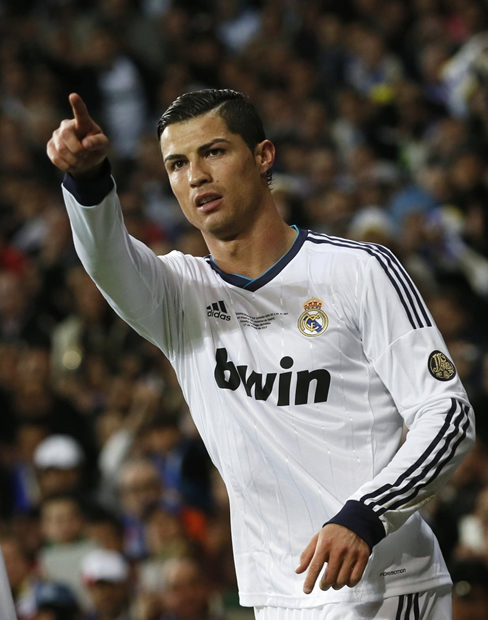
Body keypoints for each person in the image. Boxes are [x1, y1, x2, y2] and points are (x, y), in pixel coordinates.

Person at [47, 89, 475, 619]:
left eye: (214, 152)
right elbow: (108, 261)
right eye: (177, 164)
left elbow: (447, 413)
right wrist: (89, 181)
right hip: (276, 594)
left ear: (263, 155)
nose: (196, 175)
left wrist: (368, 514)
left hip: (384, 585)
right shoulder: (181, 295)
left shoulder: (358, 271)